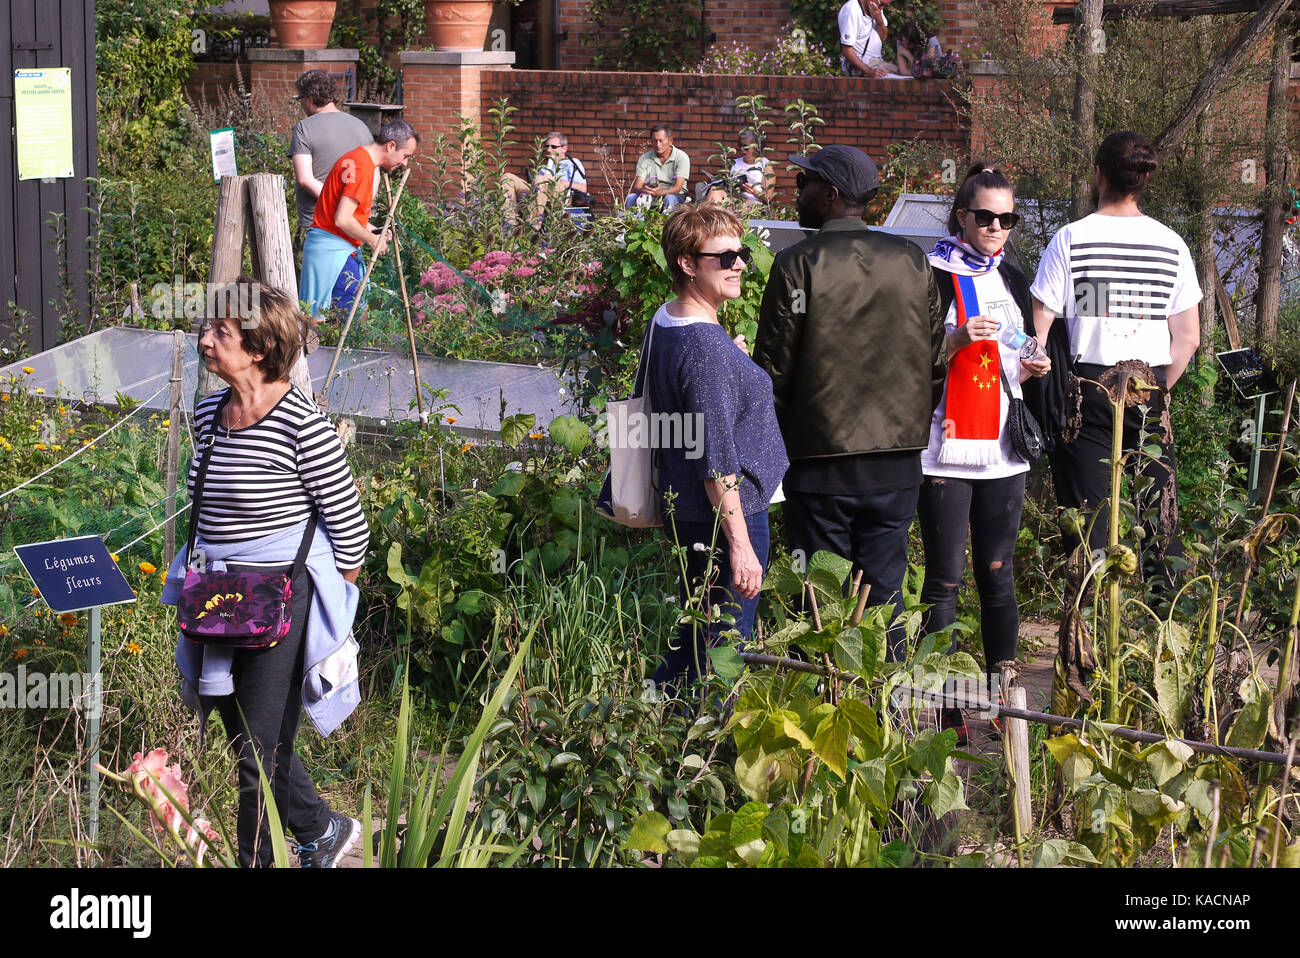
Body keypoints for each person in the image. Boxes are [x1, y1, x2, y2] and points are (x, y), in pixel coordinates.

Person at [162, 280, 370, 868]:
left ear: (257, 347)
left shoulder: (301, 423)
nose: (204, 340)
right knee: (247, 738)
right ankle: (322, 831)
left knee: (257, 750)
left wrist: (326, 612)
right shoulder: (209, 413)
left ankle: (256, 861)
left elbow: (349, 528)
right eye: (207, 329)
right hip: (217, 593)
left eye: (219, 333)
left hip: (282, 596)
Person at [754, 144, 945, 659]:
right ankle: (888, 720)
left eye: (806, 183)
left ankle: (824, 716)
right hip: (897, 463)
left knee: (819, 604)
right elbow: (933, 363)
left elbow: (772, 370)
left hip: (821, 465)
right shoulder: (912, 260)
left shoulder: (797, 264)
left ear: (831, 195)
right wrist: (910, 431)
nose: (798, 191)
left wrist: (773, 451)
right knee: (885, 602)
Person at [919, 165, 1052, 743]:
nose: (998, 227)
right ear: (962, 217)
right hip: (945, 450)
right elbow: (910, 354)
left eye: (1008, 218)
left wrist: (1030, 365)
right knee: (944, 582)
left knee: (997, 577)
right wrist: (954, 339)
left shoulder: (1011, 278)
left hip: (1003, 449)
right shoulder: (931, 275)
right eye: (987, 217)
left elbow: (1012, 358)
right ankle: (943, 708)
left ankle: (1004, 704)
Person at [1031, 131, 1202, 573]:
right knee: (1157, 522)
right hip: (1148, 389)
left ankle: (1086, 628)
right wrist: (1155, 389)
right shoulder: (1172, 245)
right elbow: (1188, 338)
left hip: (1085, 392)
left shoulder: (1072, 239)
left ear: (1099, 174)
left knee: (1088, 524)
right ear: (1142, 181)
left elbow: (1039, 326)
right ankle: (1163, 625)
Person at [645, 205, 788, 693]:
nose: (741, 264)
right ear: (687, 263)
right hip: (727, 513)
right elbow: (716, 459)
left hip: (685, 508)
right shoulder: (705, 347)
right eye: (725, 257)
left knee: (695, 636)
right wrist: (742, 547)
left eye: (742, 253)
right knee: (725, 646)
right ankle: (704, 752)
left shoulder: (667, 320)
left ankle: (652, 722)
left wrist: (736, 362)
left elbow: (687, 408)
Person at [299, 119, 419, 319]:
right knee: (341, 323)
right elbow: (343, 220)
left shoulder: (357, 158)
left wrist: (371, 230)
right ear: (390, 146)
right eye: (405, 156)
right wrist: (372, 240)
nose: (404, 163)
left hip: (327, 249)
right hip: (334, 254)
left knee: (320, 320)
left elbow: (347, 214)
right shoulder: (363, 167)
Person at [288, 70, 373, 247]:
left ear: (310, 98)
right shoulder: (360, 127)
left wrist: (335, 203)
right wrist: (351, 210)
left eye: (301, 99)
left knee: (311, 275)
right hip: (354, 227)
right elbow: (374, 174)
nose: (302, 105)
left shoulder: (304, 128)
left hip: (317, 225)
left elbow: (305, 179)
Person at [502, 131, 589, 227]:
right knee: (507, 177)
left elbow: (583, 188)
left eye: (553, 147)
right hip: (541, 191)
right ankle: (509, 224)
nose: (548, 150)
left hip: (561, 196)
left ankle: (532, 226)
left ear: (564, 148)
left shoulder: (572, 163)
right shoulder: (543, 167)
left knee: (540, 179)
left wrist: (556, 180)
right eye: (546, 146)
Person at [625, 124, 691, 210]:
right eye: (654, 141)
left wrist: (660, 193)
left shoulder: (682, 157)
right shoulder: (645, 158)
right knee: (631, 197)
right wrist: (646, 190)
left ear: (670, 140)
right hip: (651, 196)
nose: (657, 144)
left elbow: (677, 188)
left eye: (661, 140)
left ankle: (669, 223)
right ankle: (629, 222)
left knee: (669, 198)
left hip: (675, 197)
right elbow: (637, 186)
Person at [839, 0, 897, 78]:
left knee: (905, 73)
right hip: (861, 65)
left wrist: (879, 20)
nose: (882, 8)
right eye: (882, 4)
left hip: (877, 61)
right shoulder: (851, 10)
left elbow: (883, 38)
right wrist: (869, 71)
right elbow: (846, 50)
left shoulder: (876, 8)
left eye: (886, 5)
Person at [728, 130, 774, 205]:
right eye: (740, 146)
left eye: (746, 147)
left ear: (755, 148)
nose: (742, 149)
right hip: (734, 202)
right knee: (714, 189)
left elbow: (768, 197)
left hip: (754, 205)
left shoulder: (765, 164)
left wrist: (753, 191)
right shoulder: (735, 162)